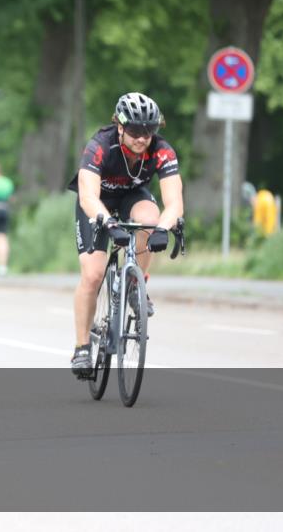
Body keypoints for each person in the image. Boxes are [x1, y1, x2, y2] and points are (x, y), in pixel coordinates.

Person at [67, 92, 184, 377]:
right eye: (134, 131)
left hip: (133, 196)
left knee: (150, 220)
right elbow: (88, 197)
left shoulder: (161, 150)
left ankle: (135, 285)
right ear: (120, 126)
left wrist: (162, 230)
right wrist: (108, 224)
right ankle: (82, 347)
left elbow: (175, 203)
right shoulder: (99, 146)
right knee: (93, 275)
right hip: (98, 202)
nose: (142, 138)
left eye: (149, 131)